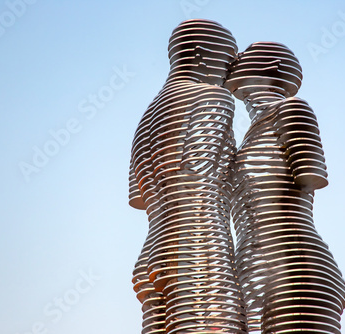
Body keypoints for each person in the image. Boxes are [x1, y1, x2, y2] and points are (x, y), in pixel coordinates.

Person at [128, 19, 247, 333]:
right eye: (228, 62)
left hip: (152, 251)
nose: (231, 75)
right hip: (199, 246)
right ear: (202, 55)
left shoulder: (146, 118)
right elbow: (203, 177)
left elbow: (139, 196)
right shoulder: (213, 98)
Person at [224, 41, 345, 333]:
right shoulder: (250, 139)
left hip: (298, 269)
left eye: (245, 56)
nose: (235, 59)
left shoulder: (292, 110)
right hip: (263, 274)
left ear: (274, 68)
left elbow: (309, 177)